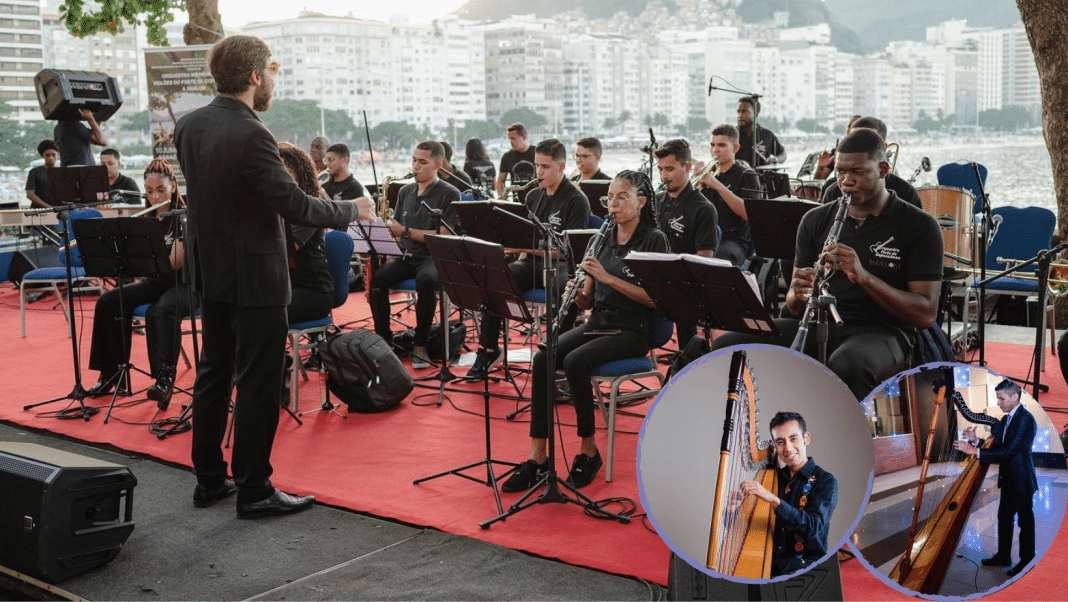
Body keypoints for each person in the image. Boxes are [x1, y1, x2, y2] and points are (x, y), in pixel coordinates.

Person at [174, 34, 368, 518]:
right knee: (258, 380)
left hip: (209, 269)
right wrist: (353, 208)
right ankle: (255, 489)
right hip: (255, 275)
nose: (275, 81)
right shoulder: (252, 132)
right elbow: (294, 204)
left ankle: (208, 479)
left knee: (214, 372)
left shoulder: (189, 125)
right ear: (256, 76)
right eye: (273, 72)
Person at [712, 129, 943, 401]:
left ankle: (847, 439)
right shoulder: (815, 220)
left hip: (884, 331)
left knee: (848, 364)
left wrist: (864, 277)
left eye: (857, 172)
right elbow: (794, 308)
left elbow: (925, 314)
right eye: (840, 172)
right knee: (728, 345)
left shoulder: (919, 225)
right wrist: (797, 292)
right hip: (817, 323)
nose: (846, 182)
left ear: (882, 169)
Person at [502, 170, 669, 492]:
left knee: (577, 362)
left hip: (633, 330)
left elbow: (656, 299)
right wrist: (578, 293)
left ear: (641, 202)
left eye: (622, 198)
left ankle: (588, 449)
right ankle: (538, 457)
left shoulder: (653, 240)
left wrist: (605, 277)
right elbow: (589, 297)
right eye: (610, 198)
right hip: (599, 323)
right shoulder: (602, 237)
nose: (614, 205)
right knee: (543, 358)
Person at [466, 138, 591, 380]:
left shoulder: (577, 200)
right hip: (532, 263)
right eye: (537, 166)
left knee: (567, 291)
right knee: (494, 280)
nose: (538, 172)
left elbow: (571, 252)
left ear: (561, 167)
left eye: (545, 167)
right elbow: (526, 239)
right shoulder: (533, 196)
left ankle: (558, 355)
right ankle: (489, 349)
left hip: (562, 266)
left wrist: (524, 248)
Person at [84, 159, 195, 411]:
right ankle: (112, 375)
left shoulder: (182, 218)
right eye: (149, 191)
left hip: (186, 283)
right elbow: (142, 265)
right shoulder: (145, 221)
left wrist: (141, 257)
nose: (155, 197)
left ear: (174, 187)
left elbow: (174, 264)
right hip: (157, 282)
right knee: (109, 301)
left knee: (163, 309)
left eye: (161, 191)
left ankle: (164, 380)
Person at [369, 140, 460, 370]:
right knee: (377, 279)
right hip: (406, 255)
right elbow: (398, 227)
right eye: (414, 160)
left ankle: (421, 344)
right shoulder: (405, 191)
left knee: (426, 280)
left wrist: (405, 231)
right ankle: (384, 339)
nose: (416, 166)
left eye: (422, 162)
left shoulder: (450, 192)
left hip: (433, 257)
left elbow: (445, 234)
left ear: (438, 164)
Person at [954, 379, 1038, 578]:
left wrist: (975, 452)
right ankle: (1003, 556)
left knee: (1025, 522)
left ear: (1015, 396)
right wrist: (977, 441)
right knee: (1004, 518)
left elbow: (1009, 452)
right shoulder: (1007, 419)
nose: (998, 402)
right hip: (1008, 478)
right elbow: (1000, 447)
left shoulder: (1025, 419)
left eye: (1001, 398)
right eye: (998, 398)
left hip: (1022, 479)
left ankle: (1026, 561)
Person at [739, 412, 838, 578]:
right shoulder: (772, 478)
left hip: (804, 570)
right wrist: (739, 507)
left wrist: (773, 499)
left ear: (806, 438)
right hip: (768, 565)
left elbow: (812, 526)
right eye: (780, 442)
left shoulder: (825, 481)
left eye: (793, 439)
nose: (787, 448)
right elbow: (753, 524)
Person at [654, 138, 718, 346]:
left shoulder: (704, 208)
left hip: (686, 281)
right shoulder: (657, 199)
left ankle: (688, 356)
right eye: (660, 169)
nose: (664, 175)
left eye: (670, 169)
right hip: (655, 274)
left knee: (683, 296)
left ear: (687, 167)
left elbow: (704, 262)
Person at [278, 143, 335, 324]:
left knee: (264, 310)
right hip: (289, 287)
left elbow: (284, 252)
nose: (281, 176)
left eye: (287, 170)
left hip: (315, 292)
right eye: (278, 170)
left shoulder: (309, 208)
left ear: (301, 175)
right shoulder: (279, 206)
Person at [694, 124, 761, 266]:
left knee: (718, 265)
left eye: (721, 145)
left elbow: (749, 214)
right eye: (712, 145)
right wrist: (691, 188)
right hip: (704, 237)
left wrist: (717, 186)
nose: (714, 150)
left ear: (735, 148)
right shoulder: (706, 174)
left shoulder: (747, 174)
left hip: (732, 239)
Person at [819, 116, 922, 209]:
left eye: (866, 141)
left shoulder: (905, 192)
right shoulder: (832, 191)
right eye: (853, 140)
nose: (857, 146)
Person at [736, 96, 785, 169]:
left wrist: (775, 160)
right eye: (738, 112)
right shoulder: (731, 134)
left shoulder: (767, 135)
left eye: (744, 112)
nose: (740, 115)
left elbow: (782, 154)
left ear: (756, 113)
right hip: (737, 179)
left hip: (761, 179)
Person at [495, 123, 536, 201]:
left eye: (513, 138)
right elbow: (500, 181)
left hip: (537, 200)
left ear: (524, 137)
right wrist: (502, 199)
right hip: (517, 201)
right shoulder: (507, 157)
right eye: (509, 138)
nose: (511, 141)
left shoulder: (537, 153)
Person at [25, 140, 59, 208]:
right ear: (42, 156)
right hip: (38, 212)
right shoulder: (34, 172)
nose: (51, 158)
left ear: (58, 155)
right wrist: (49, 208)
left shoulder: (62, 172)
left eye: (53, 154)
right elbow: (30, 194)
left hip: (59, 211)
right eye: (47, 155)